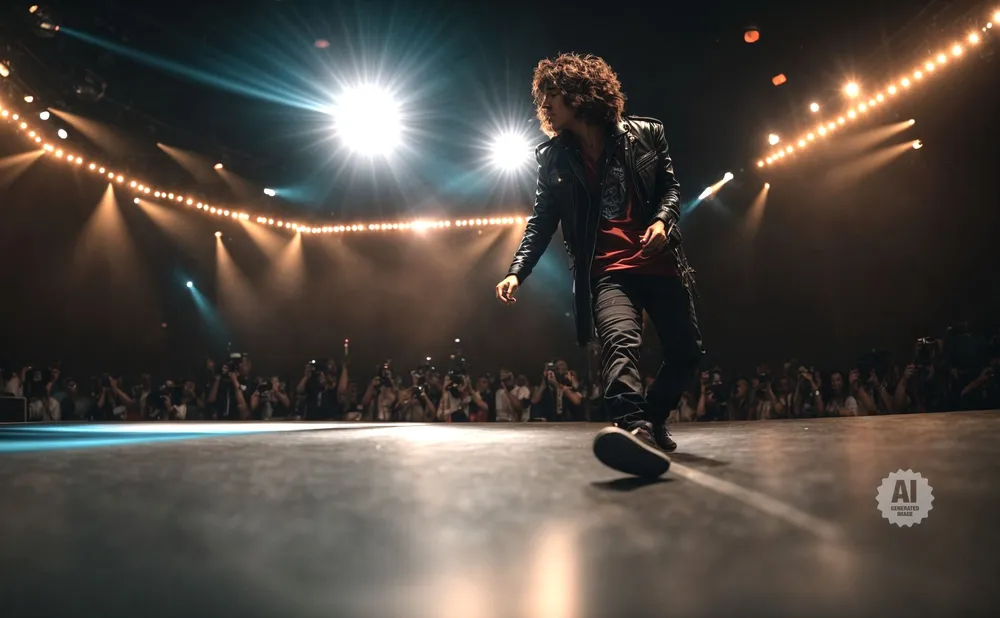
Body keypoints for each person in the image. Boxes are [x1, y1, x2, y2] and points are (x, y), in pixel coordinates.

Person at [495, 53, 703, 478]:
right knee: (619, 343)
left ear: (579, 94)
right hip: (608, 272)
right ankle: (633, 427)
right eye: (542, 96)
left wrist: (662, 222)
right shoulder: (554, 159)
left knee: (687, 354)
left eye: (552, 93)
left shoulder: (647, 133)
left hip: (659, 264)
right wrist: (517, 270)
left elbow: (670, 189)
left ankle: (652, 419)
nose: (544, 104)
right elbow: (542, 221)